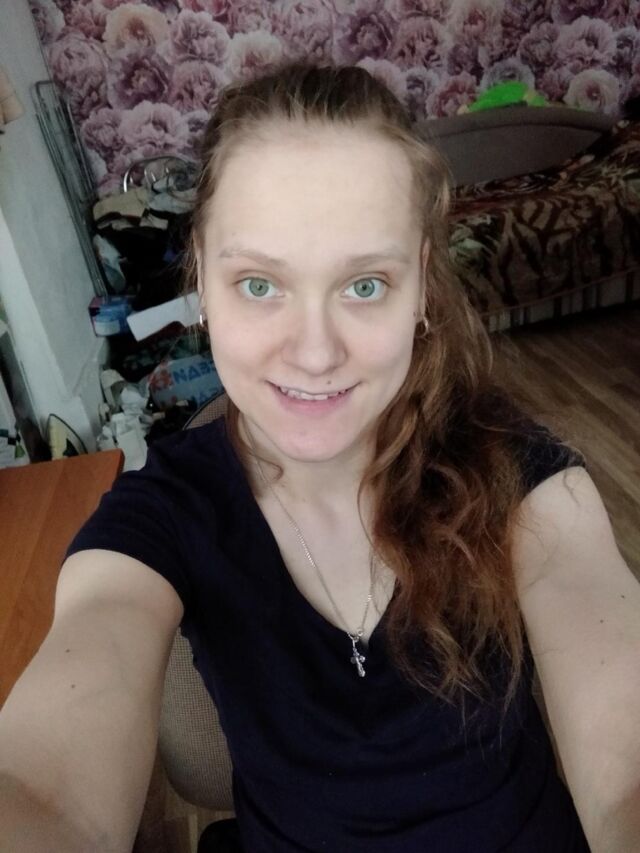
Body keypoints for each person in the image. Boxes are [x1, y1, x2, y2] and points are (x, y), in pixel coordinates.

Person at [1, 62, 639, 853]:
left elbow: (627, 765)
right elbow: (47, 791)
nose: (314, 351)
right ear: (201, 277)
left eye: (365, 285)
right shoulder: (161, 515)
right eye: (259, 285)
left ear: (421, 289)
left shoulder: (525, 475)